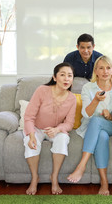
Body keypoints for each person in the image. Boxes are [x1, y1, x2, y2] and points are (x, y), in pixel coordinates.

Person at [67, 56, 112, 195]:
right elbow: (86, 114)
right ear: (95, 71)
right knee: (101, 136)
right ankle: (104, 182)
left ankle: (82, 165)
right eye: (101, 68)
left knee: (97, 122)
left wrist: (110, 116)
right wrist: (96, 100)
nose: (105, 71)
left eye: (108, 68)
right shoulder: (88, 87)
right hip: (92, 126)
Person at [23, 62, 77, 195]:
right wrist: (31, 135)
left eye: (69, 76)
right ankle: (35, 177)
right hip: (37, 127)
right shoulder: (42, 90)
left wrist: (57, 129)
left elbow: (69, 123)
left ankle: (54, 177)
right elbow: (29, 116)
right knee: (30, 143)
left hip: (55, 130)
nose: (66, 79)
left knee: (63, 138)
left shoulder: (72, 99)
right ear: (54, 77)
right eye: (62, 75)